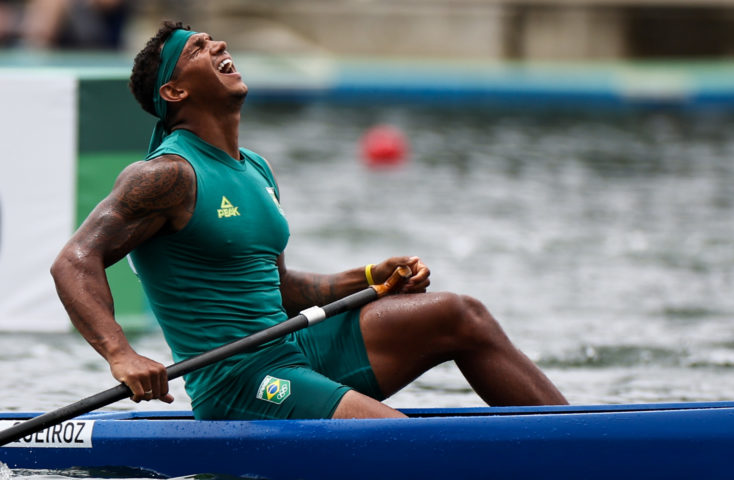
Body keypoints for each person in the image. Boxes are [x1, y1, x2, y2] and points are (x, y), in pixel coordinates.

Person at [50, 20, 567, 420]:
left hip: (294, 344)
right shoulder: (166, 175)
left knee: (460, 314)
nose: (217, 47)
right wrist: (121, 354)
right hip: (238, 377)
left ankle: (574, 438)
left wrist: (370, 279)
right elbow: (74, 261)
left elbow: (280, 287)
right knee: (399, 442)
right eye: (197, 49)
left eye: (213, 41)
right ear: (174, 92)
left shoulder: (256, 168)